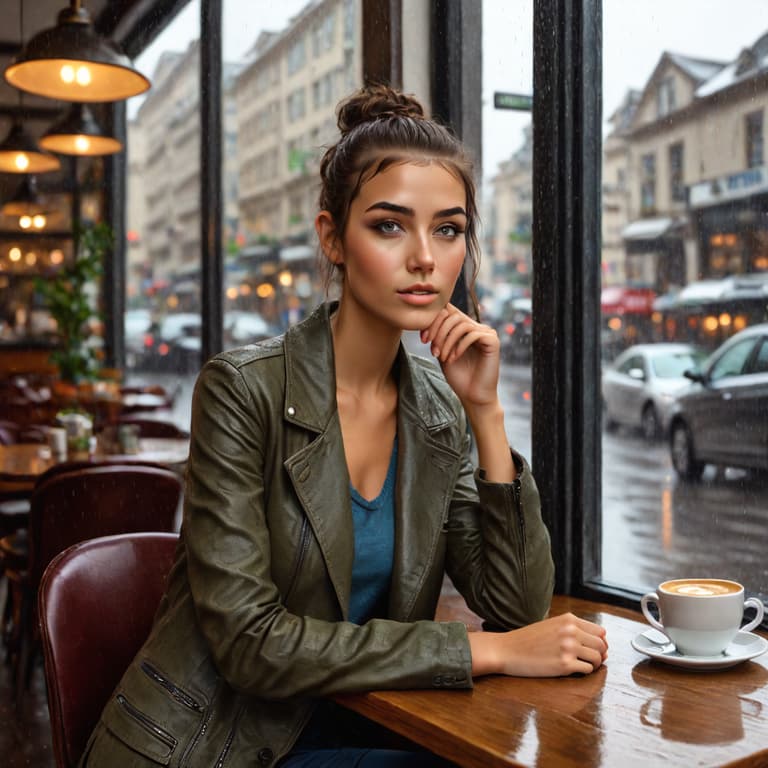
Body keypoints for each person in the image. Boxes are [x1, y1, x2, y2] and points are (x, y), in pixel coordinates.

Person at [81, 84, 607, 768]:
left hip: (346, 717)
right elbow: (250, 645)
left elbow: (514, 601)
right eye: (390, 225)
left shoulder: (439, 407)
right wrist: (489, 650)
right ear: (333, 237)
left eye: (448, 229)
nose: (425, 257)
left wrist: (486, 411)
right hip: (214, 742)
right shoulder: (243, 389)